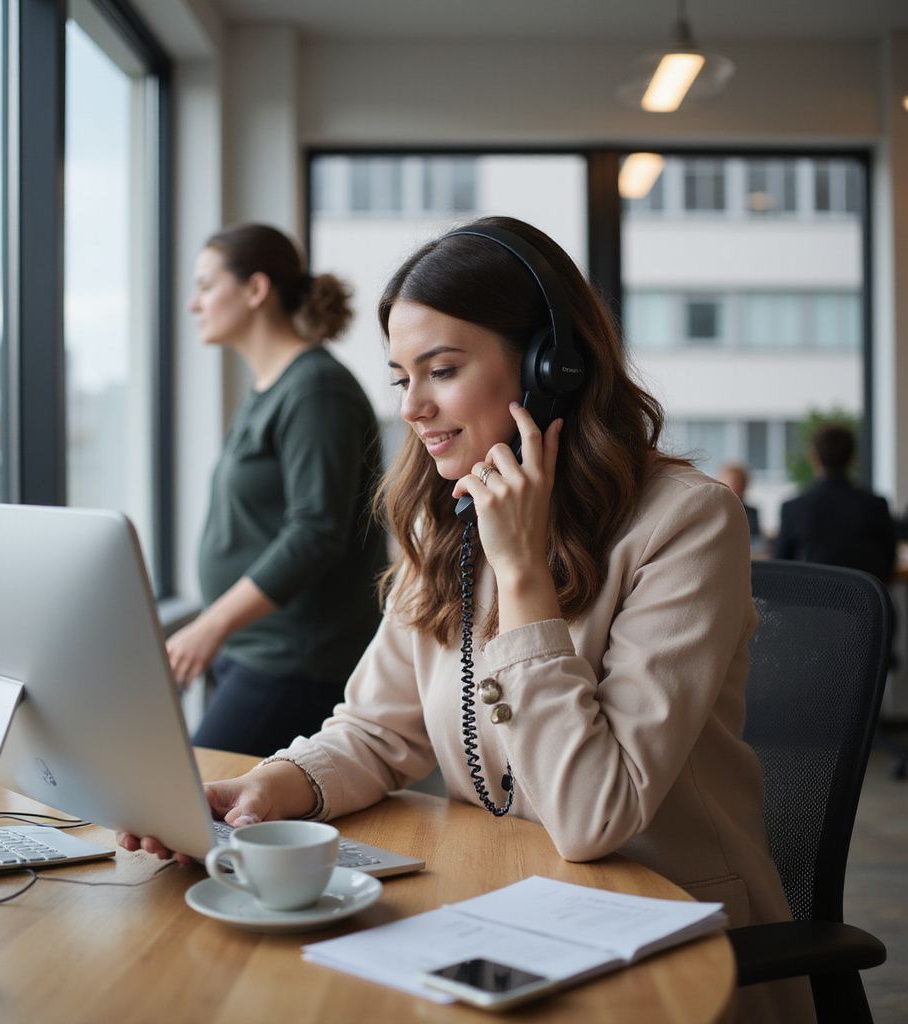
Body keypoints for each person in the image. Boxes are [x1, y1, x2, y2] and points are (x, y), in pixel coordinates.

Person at [125, 216, 812, 1021]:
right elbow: (378, 732)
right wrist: (267, 788)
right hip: (501, 917)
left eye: (441, 370)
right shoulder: (448, 520)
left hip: (667, 942)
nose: (413, 407)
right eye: (399, 378)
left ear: (550, 369)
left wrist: (521, 576)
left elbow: (596, 815)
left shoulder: (686, 523)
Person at [168, 223, 387, 756]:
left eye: (205, 285)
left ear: (255, 289)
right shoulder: (272, 389)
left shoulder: (316, 389)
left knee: (201, 810)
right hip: (252, 650)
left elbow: (315, 533)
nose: (194, 304)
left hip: (296, 661)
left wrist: (211, 623)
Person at [774, 423, 896, 582]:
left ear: (813, 458)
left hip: (812, 603)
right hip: (866, 605)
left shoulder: (794, 508)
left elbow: (781, 569)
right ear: (853, 458)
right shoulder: (876, 505)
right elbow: (888, 564)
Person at [718, 462, 761, 540]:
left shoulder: (752, 512)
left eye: (738, 484)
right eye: (732, 483)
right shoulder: (713, 511)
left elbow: (756, 540)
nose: (735, 488)